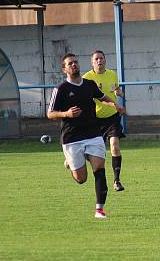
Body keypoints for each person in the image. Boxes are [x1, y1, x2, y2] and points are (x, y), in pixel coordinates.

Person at [48, 53, 125, 219]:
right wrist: (67, 114)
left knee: (99, 167)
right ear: (64, 69)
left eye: (75, 62)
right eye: (70, 63)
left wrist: (115, 105)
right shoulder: (61, 89)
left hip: (92, 133)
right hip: (71, 137)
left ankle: (99, 210)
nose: (74, 65)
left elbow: (102, 96)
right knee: (81, 179)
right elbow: (50, 113)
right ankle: (71, 162)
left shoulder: (89, 84)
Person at [83, 50, 126, 191]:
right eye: (96, 59)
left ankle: (117, 181)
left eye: (101, 58)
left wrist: (119, 93)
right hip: (94, 120)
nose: (99, 61)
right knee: (96, 153)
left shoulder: (112, 74)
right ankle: (74, 158)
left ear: (105, 60)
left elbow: (115, 89)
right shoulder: (87, 79)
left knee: (114, 145)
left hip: (112, 117)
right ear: (92, 62)